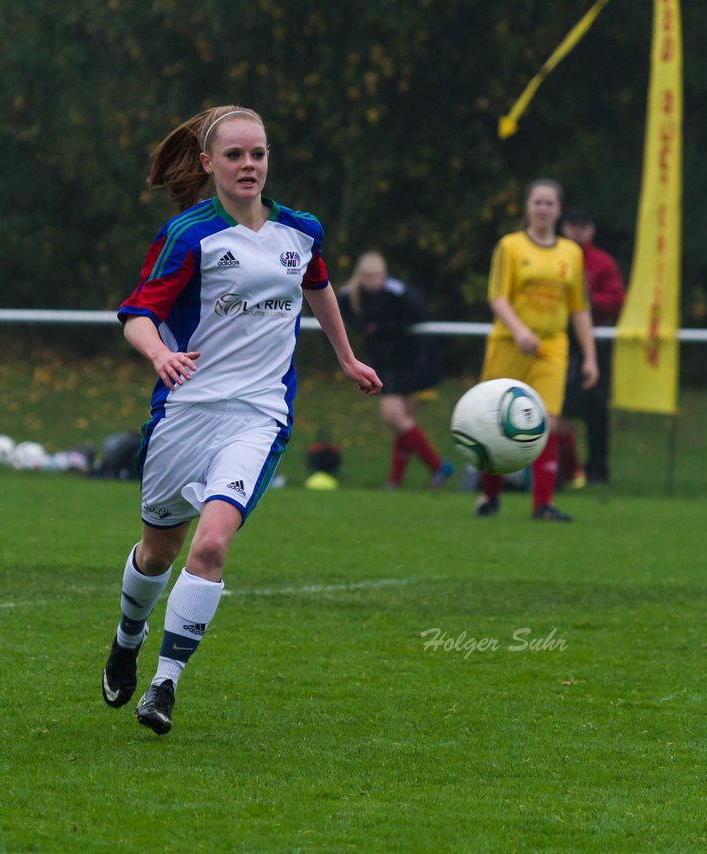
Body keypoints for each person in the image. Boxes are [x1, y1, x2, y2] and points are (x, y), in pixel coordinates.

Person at [100, 105, 381, 735]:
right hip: (184, 411)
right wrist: (160, 353)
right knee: (157, 549)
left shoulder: (300, 230)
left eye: (257, 154)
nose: (248, 165)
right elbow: (138, 312)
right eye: (234, 155)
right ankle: (127, 637)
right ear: (208, 164)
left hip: (258, 414)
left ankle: (164, 685)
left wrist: (345, 357)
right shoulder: (189, 234)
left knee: (213, 543)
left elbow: (319, 285)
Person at [473, 178, 597, 522]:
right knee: (494, 422)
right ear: (527, 208)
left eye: (549, 204)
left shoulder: (571, 253)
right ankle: (489, 496)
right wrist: (519, 330)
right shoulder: (510, 246)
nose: (543, 209)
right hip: (509, 343)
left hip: (551, 346)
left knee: (550, 422)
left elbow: (579, 308)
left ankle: (542, 504)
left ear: (558, 210)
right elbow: (497, 296)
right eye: (537, 203)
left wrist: (590, 357)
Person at [337, 251, 452, 490]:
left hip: (411, 361)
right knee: (402, 422)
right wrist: (365, 327)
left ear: (384, 274)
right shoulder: (350, 294)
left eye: (377, 276)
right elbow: (345, 317)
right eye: (367, 276)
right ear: (360, 275)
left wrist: (382, 328)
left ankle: (436, 465)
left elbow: (418, 315)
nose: (373, 281)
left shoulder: (398, 292)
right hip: (385, 363)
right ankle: (396, 480)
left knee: (395, 418)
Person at [558, 208, 626, 487]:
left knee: (596, 408)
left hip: (591, 337)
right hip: (557, 337)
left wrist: (585, 302)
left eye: (581, 226)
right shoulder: (555, 256)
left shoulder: (601, 262)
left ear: (591, 230)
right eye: (571, 225)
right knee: (556, 406)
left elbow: (616, 298)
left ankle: (596, 469)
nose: (576, 231)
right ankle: (565, 469)